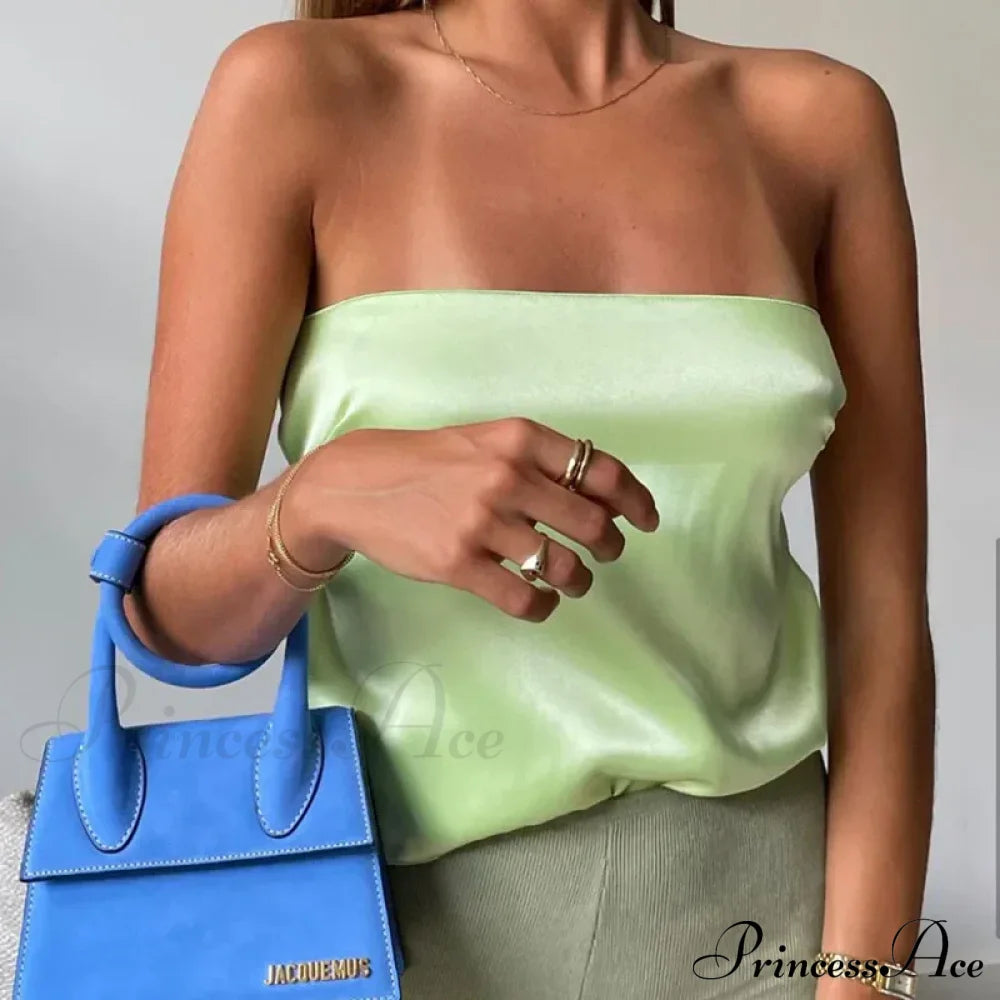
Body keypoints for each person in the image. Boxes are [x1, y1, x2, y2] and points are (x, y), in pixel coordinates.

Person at [64, 1, 938, 997]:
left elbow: (881, 623)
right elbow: (165, 620)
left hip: (761, 921)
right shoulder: (295, 92)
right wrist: (316, 501)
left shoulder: (817, 121)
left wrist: (862, 981)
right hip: (383, 933)